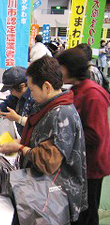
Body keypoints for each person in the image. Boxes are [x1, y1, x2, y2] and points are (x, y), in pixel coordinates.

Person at [0, 56, 88, 224]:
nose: (30, 94)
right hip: (48, 189)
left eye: (32, 90)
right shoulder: (51, 107)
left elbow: (48, 161)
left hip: (56, 194)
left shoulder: (60, 114)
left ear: (47, 87)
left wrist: (22, 149)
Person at [57, 48, 110, 225]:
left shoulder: (92, 94)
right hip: (81, 162)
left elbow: (95, 135)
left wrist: (64, 141)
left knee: (87, 213)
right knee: (78, 211)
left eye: (61, 67)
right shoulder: (78, 89)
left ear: (70, 68)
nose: (59, 71)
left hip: (91, 165)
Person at [0, 66, 34, 135]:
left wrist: (18, 118)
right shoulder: (16, 96)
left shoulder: (35, 98)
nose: (11, 93)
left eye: (11, 90)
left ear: (22, 86)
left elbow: (37, 123)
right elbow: (6, 104)